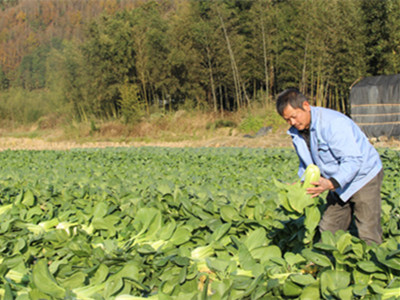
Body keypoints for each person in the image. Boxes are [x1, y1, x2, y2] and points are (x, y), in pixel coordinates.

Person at [276, 88, 384, 245]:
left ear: (306, 106)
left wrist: (331, 183)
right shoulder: (297, 133)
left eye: (294, 116)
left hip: (362, 177)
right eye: (287, 120)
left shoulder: (333, 123)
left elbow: (353, 160)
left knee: (368, 230)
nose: (292, 123)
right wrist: (302, 183)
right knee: (329, 228)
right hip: (336, 182)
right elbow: (307, 164)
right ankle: (322, 265)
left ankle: (375, 266)